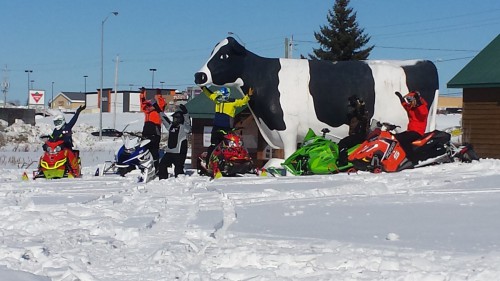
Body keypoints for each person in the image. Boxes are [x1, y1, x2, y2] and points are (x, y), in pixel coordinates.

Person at [201, 86, 253, 167]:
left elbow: (243, 102)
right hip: (216, 128)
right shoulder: (217, 100)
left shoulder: (233, 102)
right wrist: (203, 87)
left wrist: (248, 96)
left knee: (231, 146)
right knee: (213, 146)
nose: (219, 97)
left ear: (225, 95)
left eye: (220, 96)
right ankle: (209, 164)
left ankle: (234, 162)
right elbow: (210, 94)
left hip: (227, 128)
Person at [48, 103, 86, 177]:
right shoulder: (55, 130)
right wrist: (47, 142)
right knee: (46, 154)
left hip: (66, 147)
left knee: (69, 154)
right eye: (55, 123)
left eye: (58, 122)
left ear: (62, 121)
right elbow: (51, 138)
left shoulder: (67, 127)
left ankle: (75, 171)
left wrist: (78, 112)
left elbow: (73, 120)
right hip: (57, 149)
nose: (57, 124)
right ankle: (41, 169)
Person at [158, 104, 192, 179]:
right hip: (169, 152)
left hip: (179, 153)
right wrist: (158, 110)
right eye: (174, 118)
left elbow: (188, 124)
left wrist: (186, 113)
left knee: (178, 169)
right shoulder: (171, 126)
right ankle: (163, 180)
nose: (174, 120)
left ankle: (179, 184)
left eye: (176, 118)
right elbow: (164, 119)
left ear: (181, 119)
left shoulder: (184, 128)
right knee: (162, 165)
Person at [394, 90, 429, 163]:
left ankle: (412, 159)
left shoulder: (422, 107)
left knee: (403, 140)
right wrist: (401, 98)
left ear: (415, 99)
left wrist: (419, 103)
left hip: (417, 132)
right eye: (408, 99)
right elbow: (405, 105)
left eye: (410, 99)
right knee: (395, 137)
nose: (409, 101)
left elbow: (423, 113)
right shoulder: (411, 108)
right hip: (410, 131)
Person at [337, 95, 369, 167]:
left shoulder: (362, 112)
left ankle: (343, 162)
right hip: (356, 135)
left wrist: (359, 104)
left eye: (352, 103)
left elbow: (361, 113)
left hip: (359, 135)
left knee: (342, 143)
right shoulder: (353, 113)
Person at [140, 88, 166, 173]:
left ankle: (156, 167)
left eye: (150, 106)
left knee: (154, 150)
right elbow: (142, 103)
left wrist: (159, 95)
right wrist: (142, 93)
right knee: (143, 150)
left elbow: (162, 104)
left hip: (155, 132)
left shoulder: (158, 110)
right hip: (146, 132)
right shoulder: (146, 111)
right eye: (148, 106)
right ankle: (143, 166)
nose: (148, 108)